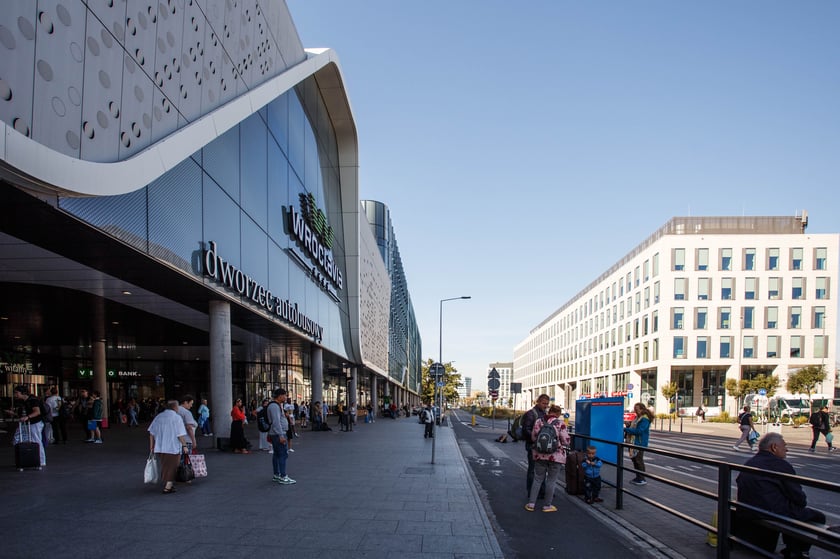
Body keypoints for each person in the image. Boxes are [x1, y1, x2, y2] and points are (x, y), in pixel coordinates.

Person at [736, 432, 826, 559]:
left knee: (792, 512)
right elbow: (799, 498)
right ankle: (798, 551)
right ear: (774, 447)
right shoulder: (781, 465)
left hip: (748, 508)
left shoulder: (751, 462)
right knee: (817, 516)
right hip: (769, 511)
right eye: (784, 446)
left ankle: (793, 549)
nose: (787, 449)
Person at [525, 404, 569, 512]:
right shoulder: (560, 423)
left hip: (539, 455)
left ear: (549, 411)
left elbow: (533, 437)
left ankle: (531, 504)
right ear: (558, 414)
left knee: (537, 479)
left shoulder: (539, 421)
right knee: (551, 481)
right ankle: (547, 505)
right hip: (555, 456)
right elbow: (566, 441)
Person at [147, 400, 189, 494]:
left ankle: (169, 483)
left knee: (165, 466)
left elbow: (151, 433)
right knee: (173, 466)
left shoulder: (159, 417)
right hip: (172, 447)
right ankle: (168, 486)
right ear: (175, 407)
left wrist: (151, 447)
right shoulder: (176, 418)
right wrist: (184, 445)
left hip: (160, 447)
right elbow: (180, 434)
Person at [7, 385, 46, 468]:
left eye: (17, 393)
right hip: (29, 423)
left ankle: (41, 460)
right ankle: (28, 459)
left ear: (23, 392)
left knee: (36, 440)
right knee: (29, 440)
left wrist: (27, 417)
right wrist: (14, 414)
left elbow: (37, 412)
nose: (15, 395)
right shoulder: (25, 401)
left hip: (35, 423)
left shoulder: (32, 400)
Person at [522, 394, 550, 499]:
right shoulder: (531, 414)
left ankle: (541, 491)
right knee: (533, 470)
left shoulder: (544, 413)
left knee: (542, 470)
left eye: (547, 404)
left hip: (542, 446)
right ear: (538, 402)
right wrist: (537, 438)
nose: (545, 405)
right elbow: (526, 430)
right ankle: (531, 492)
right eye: (543, 403)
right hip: (533, 446)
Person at [268, 388, 294, 484]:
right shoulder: (274, 406)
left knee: (277, 454)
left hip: (277, 433)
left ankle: (276, 475)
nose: (286, 397)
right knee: (282, 454)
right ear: (280, 396)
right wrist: (281, 435)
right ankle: (283, 476)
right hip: (278, 433)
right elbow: (276, 422)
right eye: (285, 395)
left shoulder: (277, 405)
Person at [624, 402, 654, 485]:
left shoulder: (644, 419)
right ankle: (638, 476)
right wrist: (629, 425)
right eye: (635, 409)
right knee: (635, 460)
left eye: (637, 409)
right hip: (634, 442)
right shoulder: (638, 417)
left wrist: (626, 429)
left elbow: (639, 431)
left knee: (638, 460)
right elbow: (635, 427)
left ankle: (641, 478)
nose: (635, 411)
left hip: (639, 443)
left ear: (642, 409)